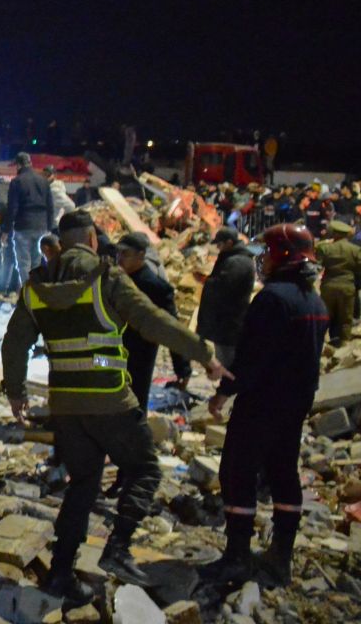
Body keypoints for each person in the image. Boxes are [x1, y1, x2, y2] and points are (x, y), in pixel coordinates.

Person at [1, 211, 229, 606]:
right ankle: (118, 549)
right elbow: (153, 321)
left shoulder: (37, 287)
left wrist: (16, 392)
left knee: (83, 485)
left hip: (66, 405)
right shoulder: (106, 279)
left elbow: (13, 342)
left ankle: (60, 575)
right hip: (110, 400)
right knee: (144, 469)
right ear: (92, 239)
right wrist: (203, 354)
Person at [201, 224, 328, 588]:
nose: (264, 260)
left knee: (237, 473)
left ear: (284, 255)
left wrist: (225, 391)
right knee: (283, 473)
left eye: (269, 252)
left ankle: (237, 557)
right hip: (295, 404)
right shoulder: (314, 301)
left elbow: (252, 355)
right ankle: (280, 556)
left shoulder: (272, 299)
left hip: (262, 403)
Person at [114, 232, 193, 407]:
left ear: (141, 255)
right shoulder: (114, 280)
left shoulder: (155, 287)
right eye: (117, 253)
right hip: (110, 355)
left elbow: (171, 328)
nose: (119, 258)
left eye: (125, 254)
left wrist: (182, 369)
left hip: (138, 356)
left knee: (134, 402)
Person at [196, 227, 256, 367]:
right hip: (223, 322)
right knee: (223, 357)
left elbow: (225, 289)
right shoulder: (231, 258)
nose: (217, 247)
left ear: (229, 242)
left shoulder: (238, 262)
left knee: (228, 361)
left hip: (229, 322)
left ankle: (228, 387)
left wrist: (207, 281)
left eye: (220, 243)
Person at [2, 152, 54, 289]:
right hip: (42, 227)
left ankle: (27, 293)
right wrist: (49, 228)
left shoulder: (17, 181)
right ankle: (36, 291)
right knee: (37, 261)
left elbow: (12, 208)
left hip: (23, 226)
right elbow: (50, 206)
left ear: (18, 165)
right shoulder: (44, 180)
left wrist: (6, 231)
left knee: (23, 262)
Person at [315, 220, 361, 344]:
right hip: (347, 286)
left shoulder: (326, 248)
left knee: (325, 317)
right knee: (346, 320)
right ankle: (344, 346)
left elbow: (317, 265)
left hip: (328, 286)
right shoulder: (355, 250)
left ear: (334, 233)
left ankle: (321, 344)